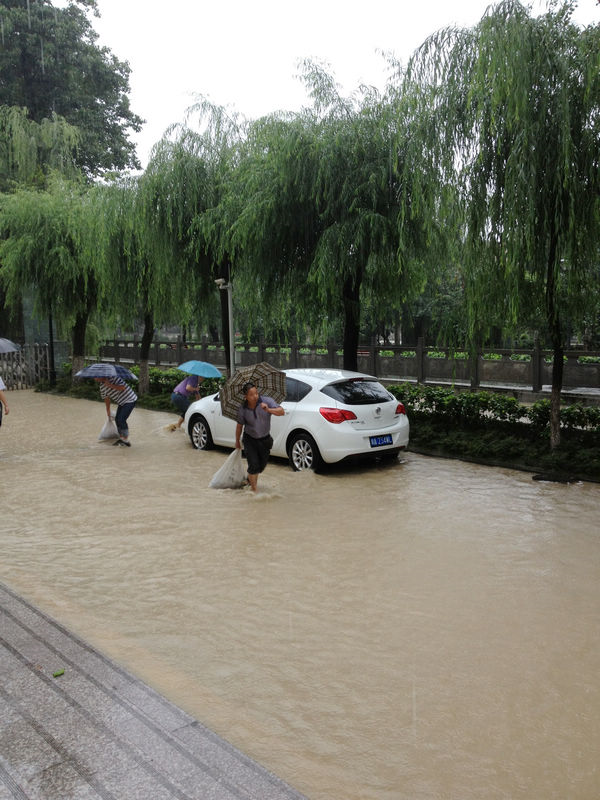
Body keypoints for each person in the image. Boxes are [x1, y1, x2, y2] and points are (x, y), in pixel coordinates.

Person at [235, 381, 284, 492]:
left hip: (265, 440)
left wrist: (268, 409)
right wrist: (237, 441)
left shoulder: (267, 401)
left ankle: (249, 479)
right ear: (245, 396)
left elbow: (281, 412)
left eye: (256, 393)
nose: (255, 396)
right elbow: (239, 426)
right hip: (249, 439)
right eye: (251, 395)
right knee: (254, 465)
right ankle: (254, 492)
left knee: (261, 467)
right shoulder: (242, 409)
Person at [95, 376, 137, 447]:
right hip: (121, 402)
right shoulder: (102, 386)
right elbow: (106, 398)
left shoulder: (114, 378)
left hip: (130, 399)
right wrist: (108, 410)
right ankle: (121, 438)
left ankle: (125, 439)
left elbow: (122, 387)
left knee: (121, 419)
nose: (95, 379)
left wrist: (109, 385)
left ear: (101, 376)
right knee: (117, 419)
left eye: (96, 377)